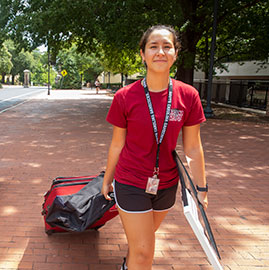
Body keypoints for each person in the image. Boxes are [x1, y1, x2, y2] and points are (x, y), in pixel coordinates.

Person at [102, 25, 208, 270]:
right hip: (130, 181)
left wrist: (201, 188)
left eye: (167, 46)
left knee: (142, 243)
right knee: (144, 252)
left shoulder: (188, 95)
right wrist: (107, 179)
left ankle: (128, 266)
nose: (160, 52)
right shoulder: (125, 96)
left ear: (176, 53)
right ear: (143, 53)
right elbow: (117, 143)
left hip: (167, 184)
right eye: (153, 46)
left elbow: (193, 147)